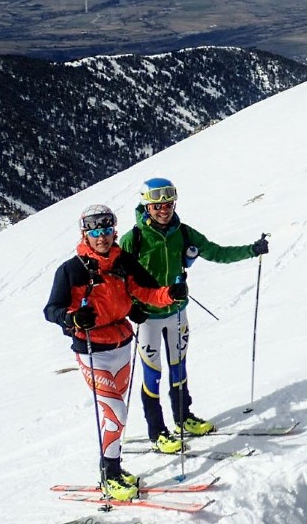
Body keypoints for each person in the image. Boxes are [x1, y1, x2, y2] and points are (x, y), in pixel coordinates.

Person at [43, 204, 185, 501]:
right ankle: (109, 473)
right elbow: (52, 309)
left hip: (121, 344)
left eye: (106, 230)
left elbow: (146, 291)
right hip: (92, 350)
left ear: (113, 231)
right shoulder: (71, 270)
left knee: (116, 415)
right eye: (95, 231)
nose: (102, 237)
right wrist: (71, 319)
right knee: (116, 412)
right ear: (86, 233)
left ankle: (114, 469)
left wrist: (169, 295)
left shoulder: (123, 262)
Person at [119, 177, 269, 453]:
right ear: (146, 206)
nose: (164, 210)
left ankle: (183, 417)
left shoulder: (184, 233)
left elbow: (216, 252)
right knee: (152, 373)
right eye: (157, 205)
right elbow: (118, 278)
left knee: (179, 366)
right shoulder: (133, 239)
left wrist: (251, 250)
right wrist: (131, 307)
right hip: (148, 317)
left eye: (168, 204)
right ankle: (157, 431)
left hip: (177, 312)